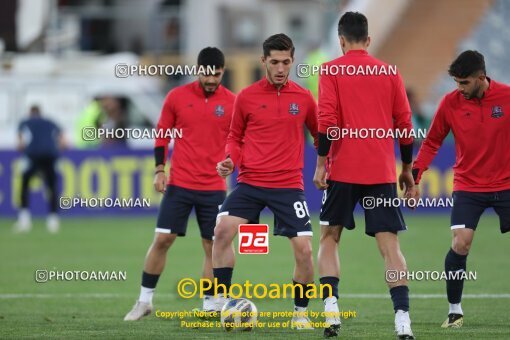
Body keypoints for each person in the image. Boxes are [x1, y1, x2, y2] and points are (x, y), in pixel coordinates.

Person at [313, 12, 417, 339]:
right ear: (368, 40)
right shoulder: (389, 72)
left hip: (342, 169)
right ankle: (403, 320)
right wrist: (406, 168)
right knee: (390, 245)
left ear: (341, 41)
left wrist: (320, 162)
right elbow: (405, 124)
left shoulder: (330, 70)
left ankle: (331, 313)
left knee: (330, 238)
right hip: (380, 170)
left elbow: (327, 120)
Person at [214, 33, 318, 330]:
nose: (281, 68)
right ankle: (223, 303)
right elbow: (234, 136)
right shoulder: (246, 97)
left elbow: (319, 135)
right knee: (221, 231)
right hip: (250, 184)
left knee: (305, 250)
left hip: (288, 186)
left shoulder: (304, 97)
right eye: (274, 62)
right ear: (264, 61)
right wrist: (230, 160)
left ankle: (300, 314)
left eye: (286, 62)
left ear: (292, 61)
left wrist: (325, 162)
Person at [124, 47, 236, 321]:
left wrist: (232, 162)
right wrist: (159, 170)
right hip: (180, 185)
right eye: (206, 74)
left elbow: (239, 140)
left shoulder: (233, 102)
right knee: (162, 239)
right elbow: (162, 135)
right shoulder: (177, 97)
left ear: (222, 72)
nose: (211, 80)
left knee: (212, 246)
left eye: (217, 74)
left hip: (214, 188)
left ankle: (210, 304)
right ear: (198, 70)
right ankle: (144, 300)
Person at [412, 50, 510, 329]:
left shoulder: (506, 97)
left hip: (506, 184)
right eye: (456, 82)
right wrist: (415, 174)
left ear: (481, 77)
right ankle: (455, 310)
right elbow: (432, 141)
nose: (459, 88)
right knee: (461, 243)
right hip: (469, 185)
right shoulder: (451, 103)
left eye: (464, 83)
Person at [15, 105, 64, 233]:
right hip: (50, 156)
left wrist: (23, 148)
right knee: (52, 187)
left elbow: (20, 143)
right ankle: (53, 220)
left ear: (30, 113)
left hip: (33, 156)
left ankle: (24, 219)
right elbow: (63, 140)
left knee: (24, 186)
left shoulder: (26, 122)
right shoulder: (50, 122)